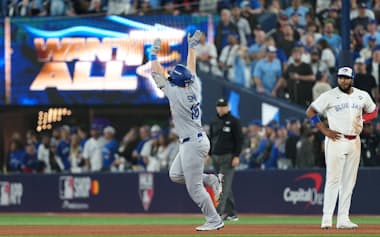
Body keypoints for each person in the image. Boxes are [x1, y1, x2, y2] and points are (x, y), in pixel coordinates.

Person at [149, 30, 224, 231]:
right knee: (175, 175)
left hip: (192, 143)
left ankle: (214, 219)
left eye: (172, 77)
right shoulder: (193, 87)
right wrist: (192, 48)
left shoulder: (175, 93)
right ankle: (211, 178)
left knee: (195, 189)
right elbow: (191, 69)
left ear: (176, 82)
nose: (170, 78)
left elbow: (156, 72)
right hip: (194, 140)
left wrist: (153, 54)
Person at [306, 66, 378, 229]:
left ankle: (343, 219)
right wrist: (323, 129)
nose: (343, 80)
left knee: (349, 181)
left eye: (346, 78)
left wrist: (363, 120)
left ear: (352, 79)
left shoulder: (362, 95)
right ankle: (326, 218)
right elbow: (310, 111)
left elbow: (373, 111)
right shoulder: (330, 95)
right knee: (333, 179)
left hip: (355, 140)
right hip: (336, 139)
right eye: (340, 77)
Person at [209, 98, 242, 221]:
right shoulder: (214, 121)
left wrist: (237, 155)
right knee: (225, 185)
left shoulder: (234, 121)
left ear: (228, 108)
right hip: (216, 157)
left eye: (223, 106)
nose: (221, 108)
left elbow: (239, 140)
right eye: (219, 106)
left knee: (222, 185)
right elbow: (211, 138)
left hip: (228, 157)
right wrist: (208, 153)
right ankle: (232, 213)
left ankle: (218, 214)